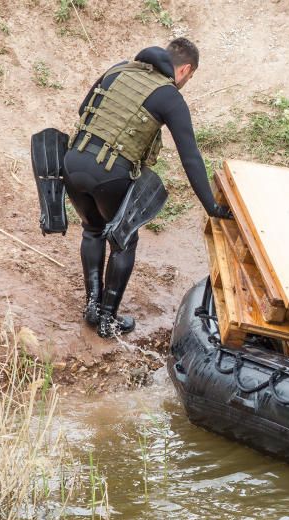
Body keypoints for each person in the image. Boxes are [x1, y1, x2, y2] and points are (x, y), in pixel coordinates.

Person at [63, 38, 231, 338]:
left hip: (73, 162)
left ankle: (92, 305)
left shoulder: (118, 70)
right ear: (185, 70)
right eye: (189, 78)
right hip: (110, 175)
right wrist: (212, 207)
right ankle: (107, 319)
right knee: (124, 241)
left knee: (92, 230)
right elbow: (190, 157)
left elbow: (82, 110)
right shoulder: (169, 96)